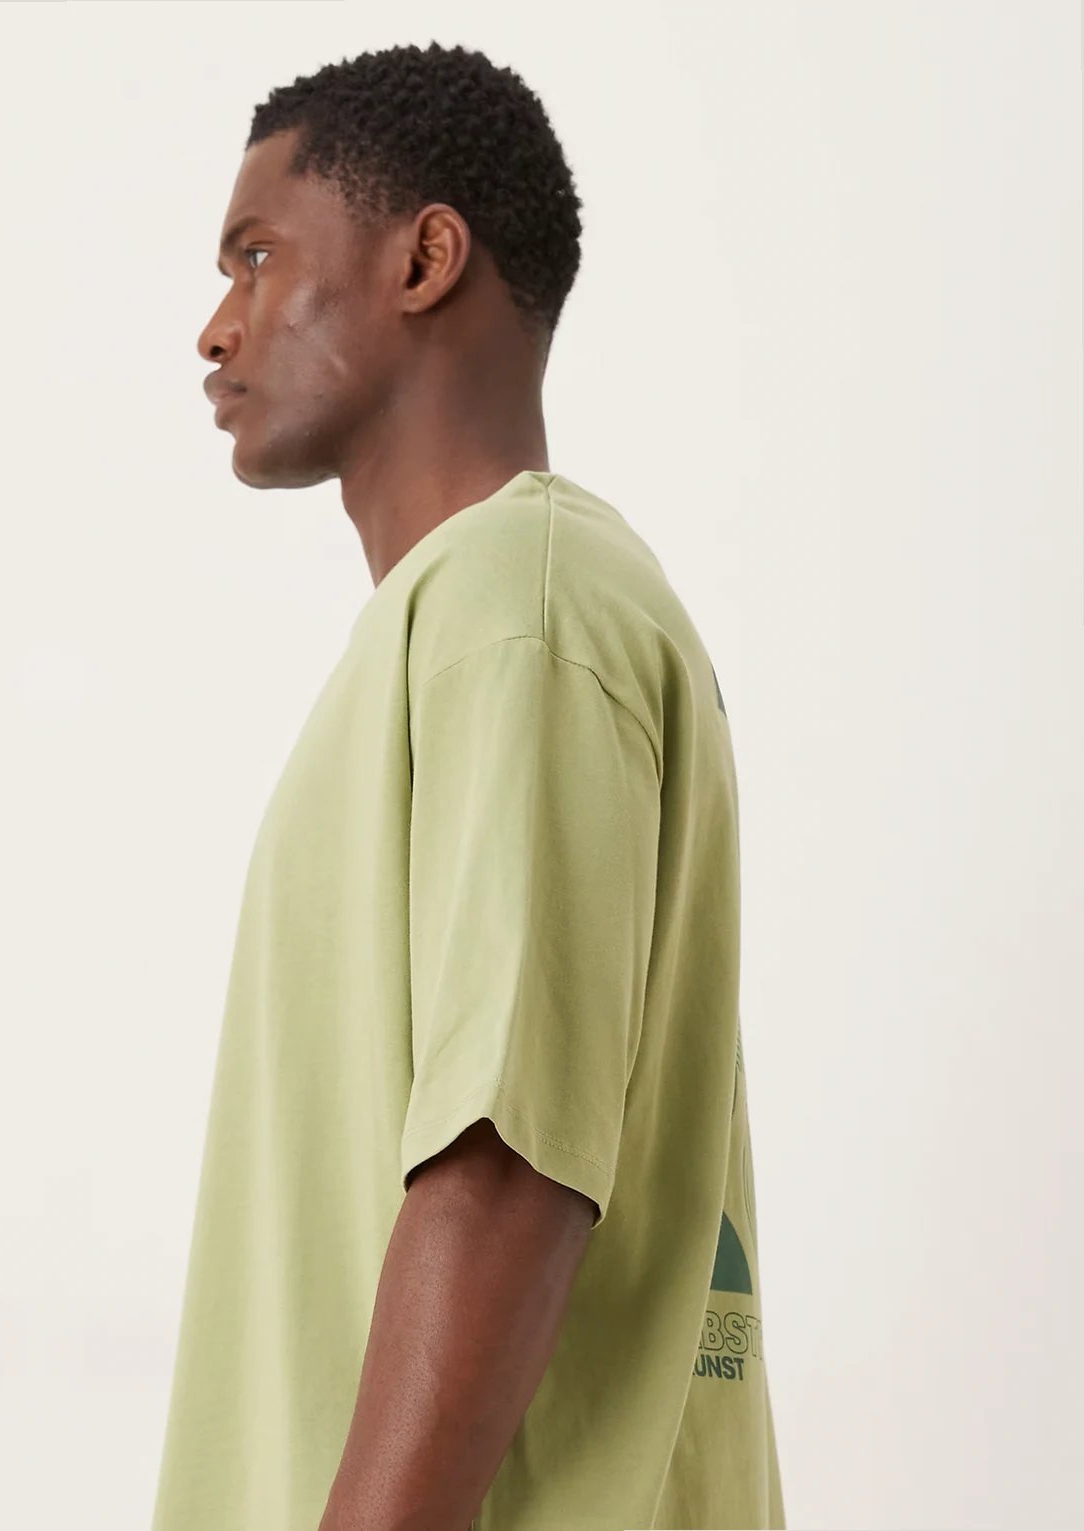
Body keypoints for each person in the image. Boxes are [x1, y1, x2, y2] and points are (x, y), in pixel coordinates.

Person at [150, 39, 785, 1531]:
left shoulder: (523, 605)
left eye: (257, 256)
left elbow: (507, 1164)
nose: (214, 327)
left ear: (424, 260)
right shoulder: (469, 624)